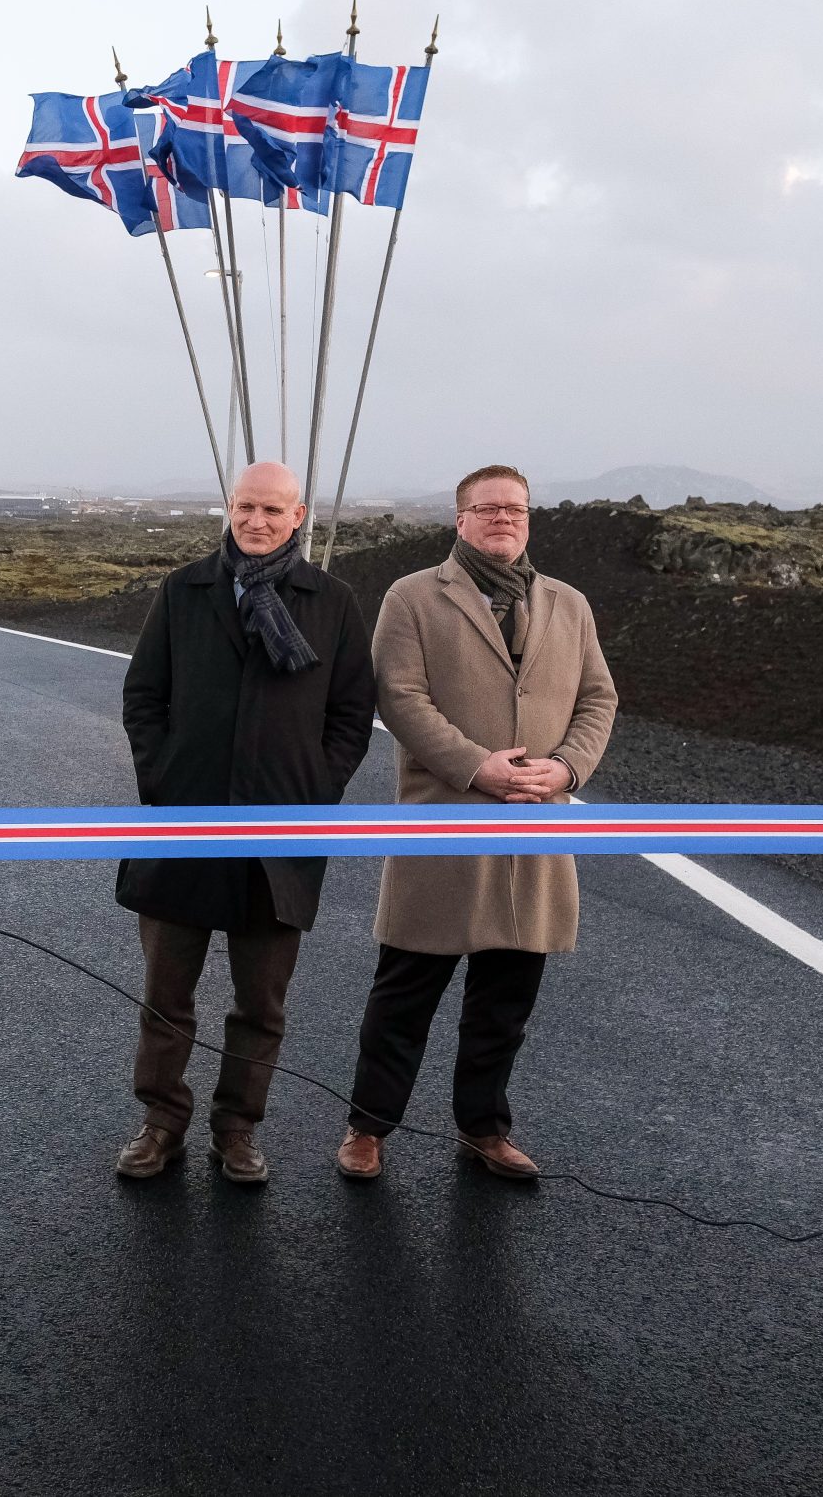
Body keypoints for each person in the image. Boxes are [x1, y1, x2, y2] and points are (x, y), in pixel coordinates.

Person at [337, 464, 616, 1182]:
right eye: (487, 508)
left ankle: (483, 1126)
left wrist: (567, 769)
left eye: (515, 508)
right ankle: (368, 1128)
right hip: (445, 823)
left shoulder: (569, 604)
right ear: (458, 520)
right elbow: (399, 697)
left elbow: (597, 697)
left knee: (505, 1001)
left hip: (535, 828)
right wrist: (477, 766)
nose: (503, 518)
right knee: (405, 992)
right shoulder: (412, 597)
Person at [114, 461, 378, 1185]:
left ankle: (237, 1131)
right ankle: (161, 1121)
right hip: (183, 826)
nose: (256, 520)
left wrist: (318, 787)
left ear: (299, 517)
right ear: (229, 508)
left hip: (279, 836)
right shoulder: (184, 590)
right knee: (167, 992)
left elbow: (353, 713)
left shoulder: (333, 602)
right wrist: (165, 780)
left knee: (260, 1002)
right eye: (245, 506)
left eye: (272, 509)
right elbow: (143, 696)